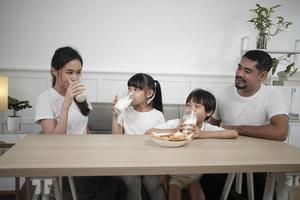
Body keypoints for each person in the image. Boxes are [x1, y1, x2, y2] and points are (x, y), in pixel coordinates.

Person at [35, 46, 126, 200]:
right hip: (63, 163)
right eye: (69, 72)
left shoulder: (81, 95)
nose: (75, 78)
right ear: (54, 71)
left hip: (84, 158)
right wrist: (66, 103)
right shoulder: (45, 99)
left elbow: (84, 127)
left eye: (78, 72)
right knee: (112, 184)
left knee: (120, 183)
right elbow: (53, 141)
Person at [202, 50, 289, 200]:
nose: (239, 73)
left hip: (258, 163)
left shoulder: (272, 94)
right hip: (226, 161)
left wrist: (236, 129)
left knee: (260, 187)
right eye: (239, 67)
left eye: (247, 71)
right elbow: (211, 127)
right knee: (206, 179)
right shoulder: (223, 93)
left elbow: (281, 132)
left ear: (262, 76)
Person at [146, 88, 238, 200]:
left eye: (197, 107)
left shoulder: (206, 128)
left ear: (208, 112)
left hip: (195, 177)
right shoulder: (176, 123)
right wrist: (174, 130)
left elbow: (233, 133)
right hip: (175, 175)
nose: (190, 110)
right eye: (188, 105)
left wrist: (201, 134)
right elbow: (149, 132)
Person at [112, 73, 166, 200]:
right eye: (129, 89)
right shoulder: (124, 112)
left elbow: (162, 142)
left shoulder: (158, 116)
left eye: (136, 89)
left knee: (152, 183)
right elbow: (116, 139)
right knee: (133, 183)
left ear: (149, 94)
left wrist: (164, 171)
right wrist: (115, 115)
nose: (131, 93)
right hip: (128, 160)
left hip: (150, 161)